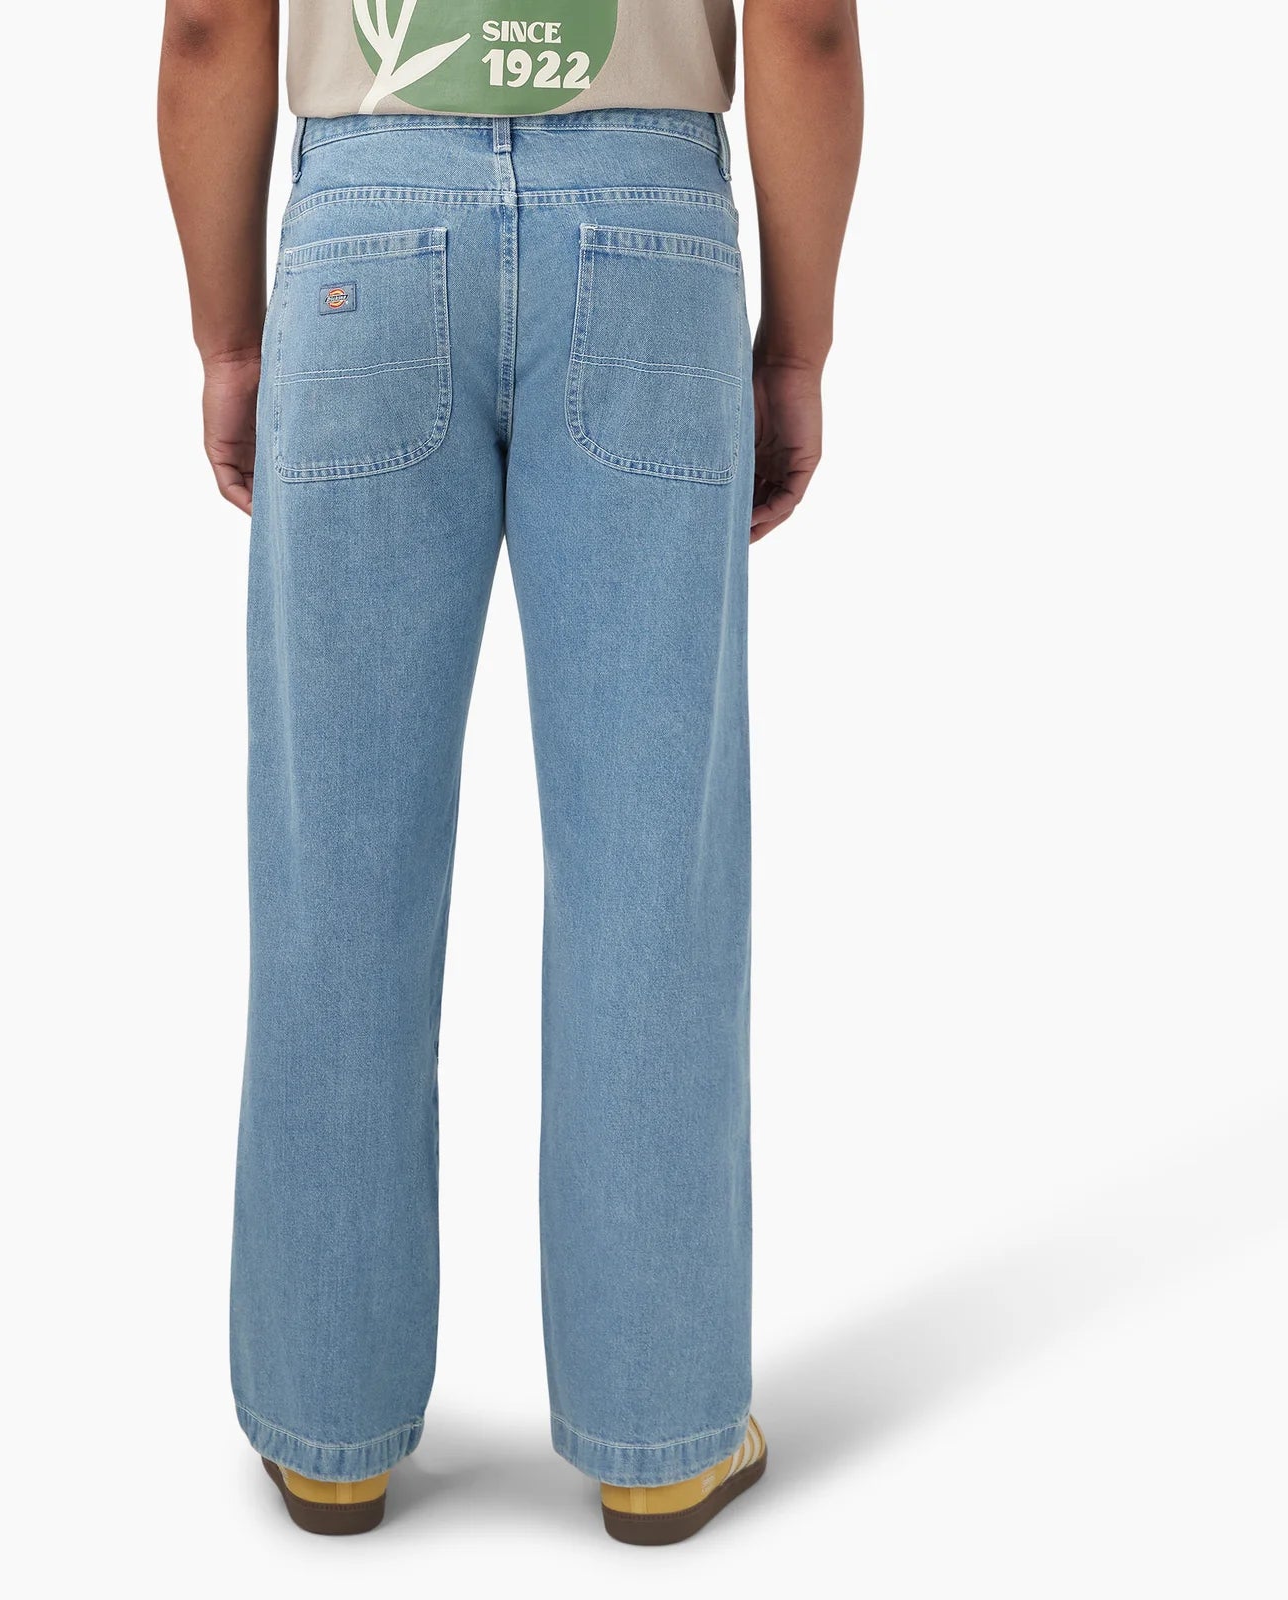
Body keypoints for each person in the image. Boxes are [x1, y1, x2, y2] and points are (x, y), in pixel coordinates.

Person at [158, 0, 861, 1544]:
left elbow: (210, 27)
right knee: (650, 874)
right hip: (650, 232)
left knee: (335, 865)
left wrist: (229, 340)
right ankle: (659, 1435)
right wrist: (799, 343)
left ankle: (329, 1434)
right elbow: (806, 30)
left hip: (366, 225)